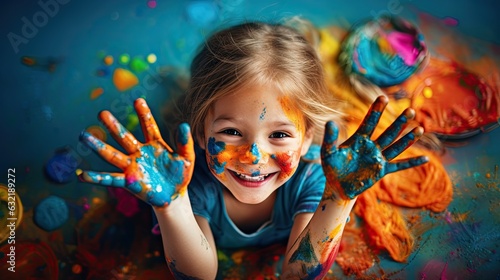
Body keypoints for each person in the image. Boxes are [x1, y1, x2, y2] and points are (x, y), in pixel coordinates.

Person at [77, 21, 428, 279]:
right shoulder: (192, 181)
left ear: (307, 140)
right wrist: (173, 206)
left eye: (279, 135)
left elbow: (296, 274)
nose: (253, 157)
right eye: (230, 132)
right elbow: (201, 275)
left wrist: (339, 198)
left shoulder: (314, 179)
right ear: (201, 132)